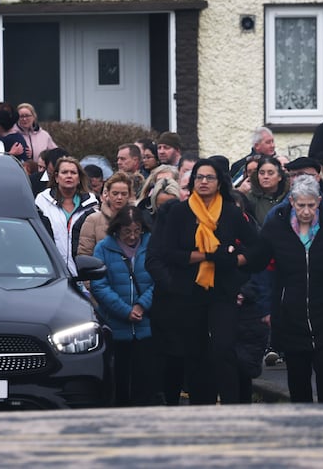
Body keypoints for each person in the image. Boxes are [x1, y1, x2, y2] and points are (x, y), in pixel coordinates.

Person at [145, 157, 258, 405]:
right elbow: (166, 253)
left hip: (222, 290)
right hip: (188, 292)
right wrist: (206, 256)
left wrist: (235, 264)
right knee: (194, 353)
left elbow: (256, 249)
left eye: (209, 177)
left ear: (220, 183)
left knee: (223, 348)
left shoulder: (230, 212)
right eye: (199, 177)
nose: (204, 182)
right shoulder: (179, 212)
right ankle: (201, 406)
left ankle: (232, 406)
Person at [247, 176, 323, 403]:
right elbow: (260, 268)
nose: (306, 211)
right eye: (301, 205)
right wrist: (265, 307)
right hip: (290, 313)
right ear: (291, 201)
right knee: (298, 378)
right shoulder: (276, 226)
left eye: (312, 205)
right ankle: (304, 425)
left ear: (319, 201)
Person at [90, 205, 154, 406]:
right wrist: (125, 311)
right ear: (117, 229)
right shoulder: (103, 248)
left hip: (146, 325)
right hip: (116, 325)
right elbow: (99, 285)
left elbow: (158, 281)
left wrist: (142, 305)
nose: (133, 237)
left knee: (144, 377)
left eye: (137, 231)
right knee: (118, 377)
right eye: (127, 232)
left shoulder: (151, 246)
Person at [34, 156, 99, 276]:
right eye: (64, 172)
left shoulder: (92, 203)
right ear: (57, 177)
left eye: (73, 173)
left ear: (79, 178)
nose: (69, 176)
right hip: (51, 272)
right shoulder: (42, 200)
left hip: (82, 273)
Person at [77, 172, 132, 258]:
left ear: (129, 195)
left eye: (124, 194)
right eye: (115, 193)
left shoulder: (137, 219)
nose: (119, 197)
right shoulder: (93, 220)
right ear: (108, 194)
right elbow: (85, 255)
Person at [245, 156, 288, 228]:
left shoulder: (289, 196)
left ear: (279, 176)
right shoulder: (250, 199)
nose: (265, 176)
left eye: (270, 173)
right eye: (262, 173)